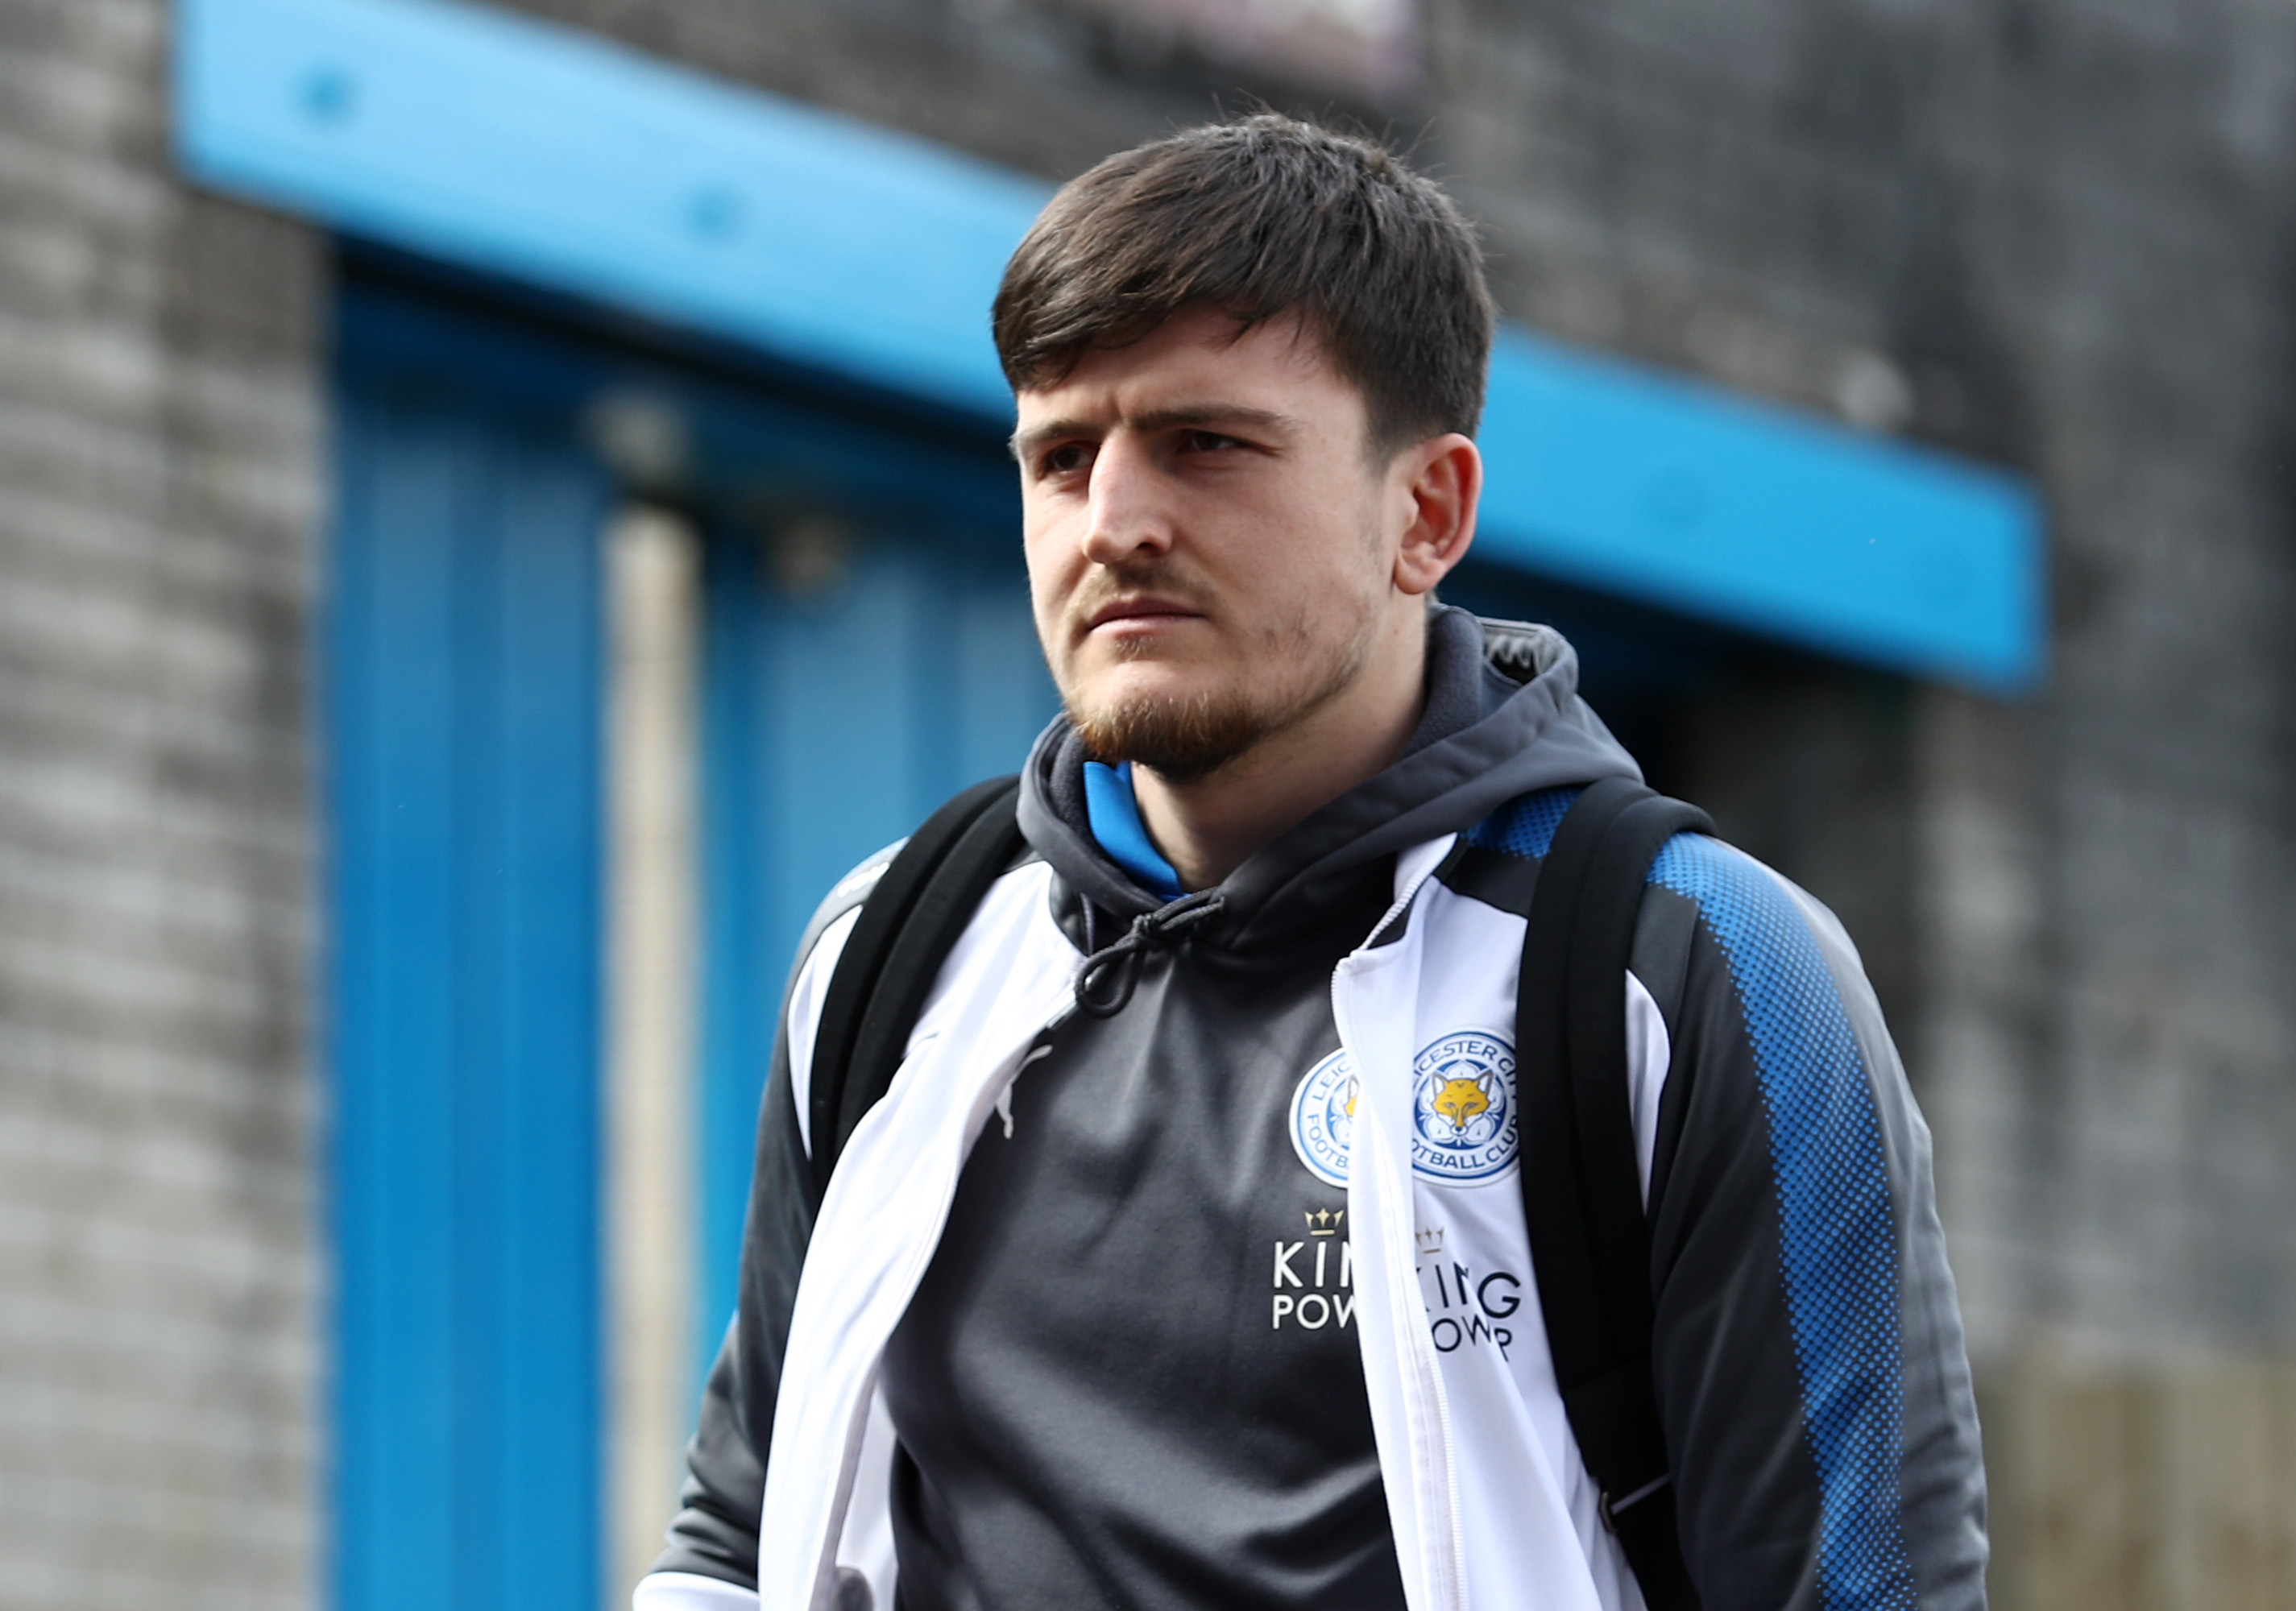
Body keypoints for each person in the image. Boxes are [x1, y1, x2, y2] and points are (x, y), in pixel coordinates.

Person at [634, 113, 1988, 1611]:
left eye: (1206, 446)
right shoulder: (895, 946)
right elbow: (741, 1533)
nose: (1114, 525)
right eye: (1062, 457)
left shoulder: (1688, 973)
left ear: (1427, 513)